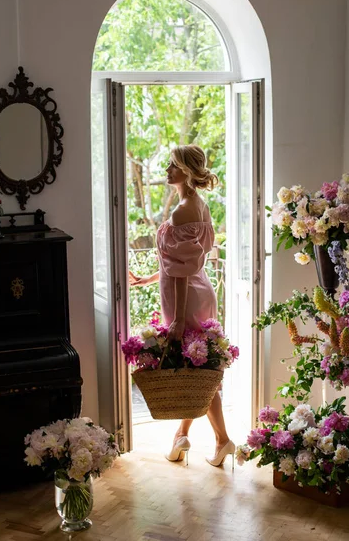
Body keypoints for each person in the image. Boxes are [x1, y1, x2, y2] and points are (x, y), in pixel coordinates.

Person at [129, 144, 235, 468]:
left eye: (173, 166)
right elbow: (179, 261)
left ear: (187, 172)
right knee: (197, 370)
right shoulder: (196, 205)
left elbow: (182, 270)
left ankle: (221, 440)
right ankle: (185, 437)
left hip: (185, 297)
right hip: (197, 290)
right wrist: (149, 279)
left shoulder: (181, 211)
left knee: (199, 371)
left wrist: (175, 319)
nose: (167, 171)